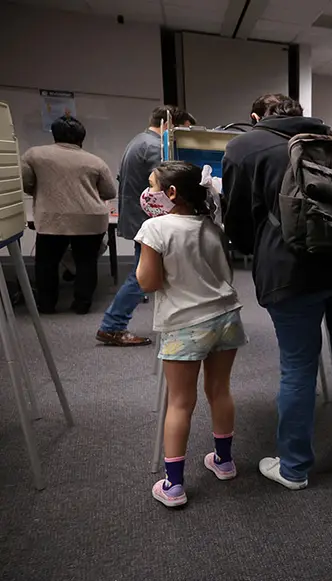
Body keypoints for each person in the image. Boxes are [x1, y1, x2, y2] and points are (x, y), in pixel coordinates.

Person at [223, 93, 332, 490]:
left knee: (298, 366)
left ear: (257, 117)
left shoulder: (244, 147)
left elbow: (237, 225)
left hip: (291, 271)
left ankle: (294, 468)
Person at [135, 161, 247, 508]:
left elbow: (148, 281)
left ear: (170, 193)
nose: (147, 193)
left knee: (180, 402)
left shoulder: (155, 228)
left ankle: (174, 486)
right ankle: (224, 462)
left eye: (152, 186)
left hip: (185, 323)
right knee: (220, 391)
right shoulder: (211, 225)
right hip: (226, 316)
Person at [96, 105, 197, 346]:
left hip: (137, 217)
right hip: (148, 220)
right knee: (141, 277)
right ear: (168, 125)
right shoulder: (156, 146)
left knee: (145, 272)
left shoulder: (138, 140)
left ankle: (116, 324)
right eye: (181, 130)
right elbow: (169, 184)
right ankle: (113, 325)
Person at [20, 116, 116, 314]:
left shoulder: (34, 155)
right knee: (86, 262)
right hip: (91, 219)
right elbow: (109, 192)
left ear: (54, 134)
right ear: (82, 138)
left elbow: (25, 183)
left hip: (52, 218)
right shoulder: (95, 161)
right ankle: (82, 305)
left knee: (46, 263)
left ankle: (46, 305)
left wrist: (42, 192)